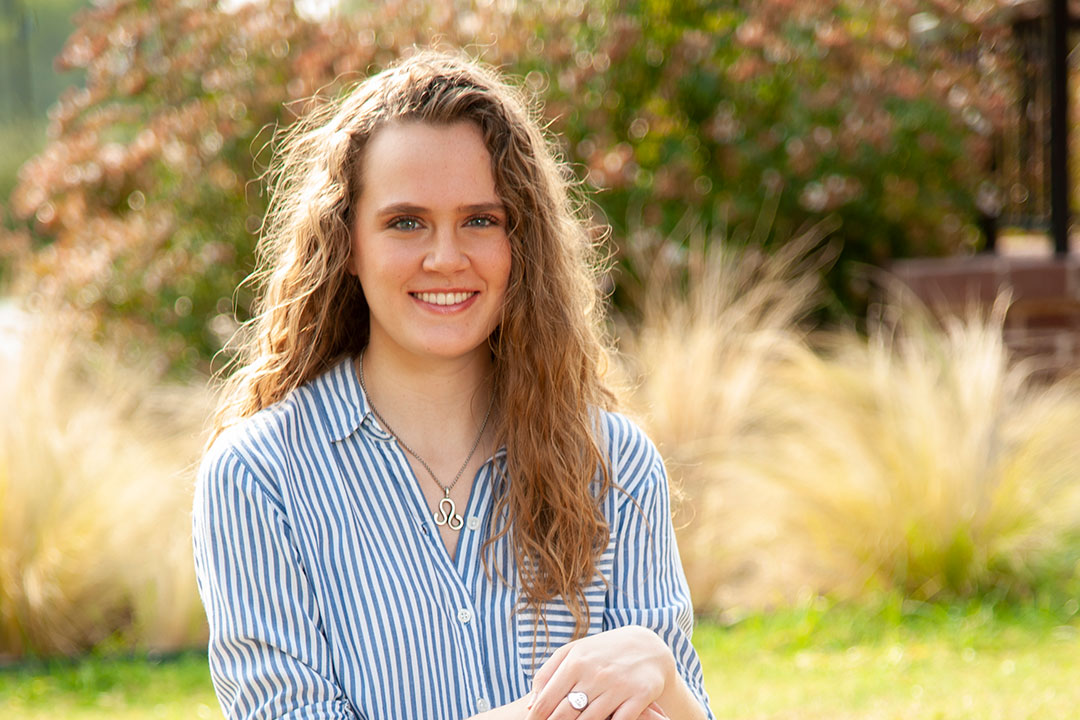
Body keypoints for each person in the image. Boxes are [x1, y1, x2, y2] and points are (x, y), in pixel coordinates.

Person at [192, 49, 714, 720]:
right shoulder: (258, 477)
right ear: (347, 242)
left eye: (480, 220)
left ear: (518, 242)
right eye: (406, 222)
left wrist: (661, 677)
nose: (446, 258)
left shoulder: (615, 466)